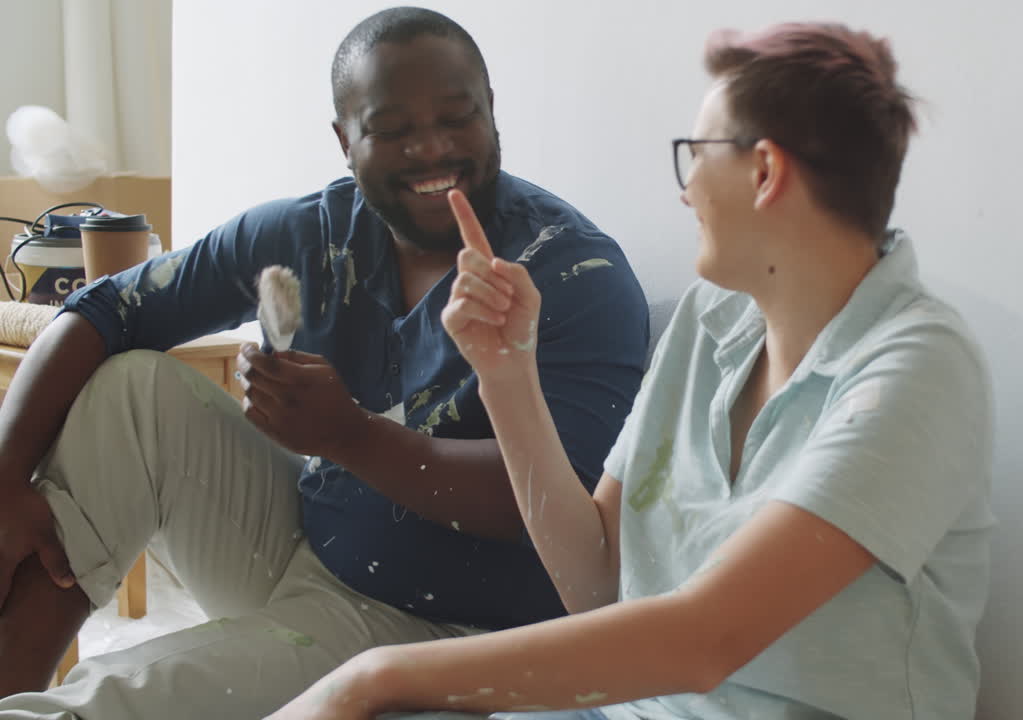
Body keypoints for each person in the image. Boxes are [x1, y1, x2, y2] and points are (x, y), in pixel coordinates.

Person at [268, 20, 995, 720]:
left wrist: (375, 676)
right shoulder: (712, 321)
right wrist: (507, 376)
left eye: (696, 154)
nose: (685, 193)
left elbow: (704, 642)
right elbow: (594, 583)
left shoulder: (917, 369)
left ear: (766, 171)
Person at [0, 6, 648, 718]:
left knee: (112, 701)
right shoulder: (315, 232)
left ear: (492, 112)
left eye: (458, 117)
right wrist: (4, 477)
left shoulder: (574, 275)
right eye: (393, 130)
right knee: (130, 391)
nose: (432, 148)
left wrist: (350, 437)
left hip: (449, 628)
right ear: (346, 140)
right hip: (314, 550)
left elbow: (569, 517)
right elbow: (104, 310)